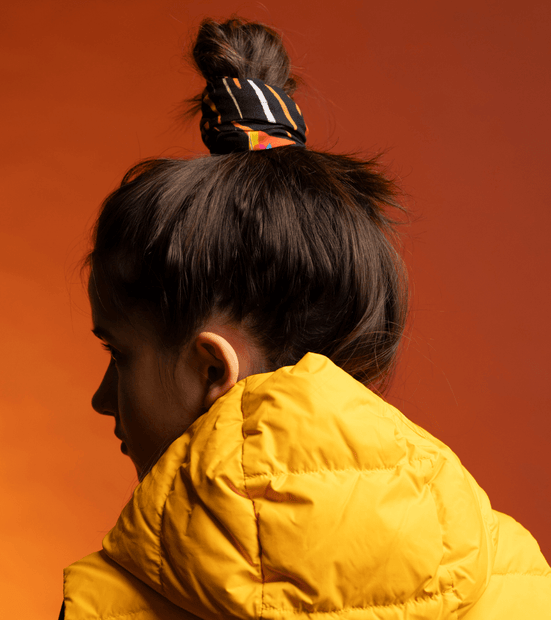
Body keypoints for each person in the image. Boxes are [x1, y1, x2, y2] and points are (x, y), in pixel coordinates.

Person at [60, 17, 551, 620]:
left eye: (118, 355)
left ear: (213, 368)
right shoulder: (519, 577)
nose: (102, 399)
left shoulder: (103, 606)